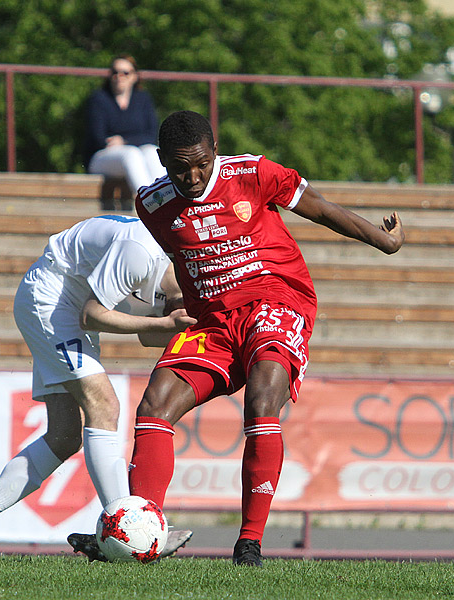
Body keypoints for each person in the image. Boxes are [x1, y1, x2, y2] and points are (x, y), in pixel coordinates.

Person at [128, 110, 404, 566]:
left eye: (201, 164)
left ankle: (249, 543)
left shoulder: (253, 173)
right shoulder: (152, 205)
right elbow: (183, 259)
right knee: (153, 405)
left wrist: (384, 241)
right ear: (161, 161)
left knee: (262, 398)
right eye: (180, 168)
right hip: (212, 321)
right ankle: (143, 532)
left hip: (275, 300)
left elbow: (321, 209)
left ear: (215, 149)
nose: (193, 177)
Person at [0, 215, 197, 559]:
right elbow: (92, 315)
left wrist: (182, 326)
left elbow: (147, 335)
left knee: (64, 436)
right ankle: (126, 529)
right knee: (105, 406)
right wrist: (168, 321)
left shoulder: (171, 271)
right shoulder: (141, 251)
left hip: (67, 308)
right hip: (52, 301)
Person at [83, 54, 166, 210]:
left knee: (152, 151)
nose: (119, 77)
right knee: (131, 154)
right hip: (101, 158)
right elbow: (98, 138)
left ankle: (168, 199)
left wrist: (124, 141)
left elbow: (151, 136)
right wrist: (127, 144)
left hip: (135, 154)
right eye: (115, 72)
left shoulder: (143, 99)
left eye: (125, 73)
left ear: (135, 76)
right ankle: (153, 206)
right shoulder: (99, 99)